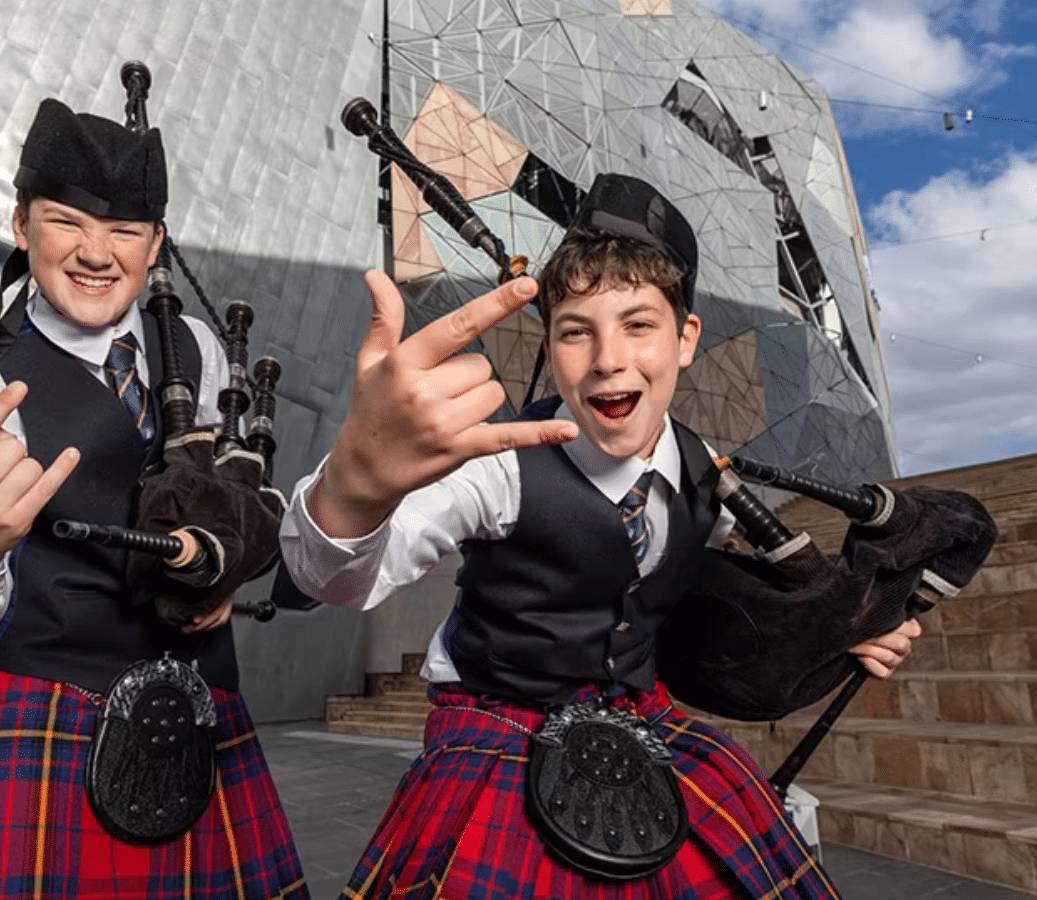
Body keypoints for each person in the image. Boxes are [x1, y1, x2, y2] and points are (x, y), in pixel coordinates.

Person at [279, 173, 919, 898]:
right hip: (496, 733)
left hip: (644, 723)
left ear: (685, 338)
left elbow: (727, 591)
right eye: (576, 331)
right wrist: (354, 490)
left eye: (639, 324)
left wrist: (841, 629)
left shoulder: (704, 475)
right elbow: (335, 579)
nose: (608, 359)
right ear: (551, 349)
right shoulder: (497, 465)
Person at [0, 98, 309, 899]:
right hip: (43, 709)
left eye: (124, 232)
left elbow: (222, 489)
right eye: (65, 221)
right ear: (20, 226)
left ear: (155, 245)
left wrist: (221, 571)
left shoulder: (196, 344)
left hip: (200, 702)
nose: (94, 252)